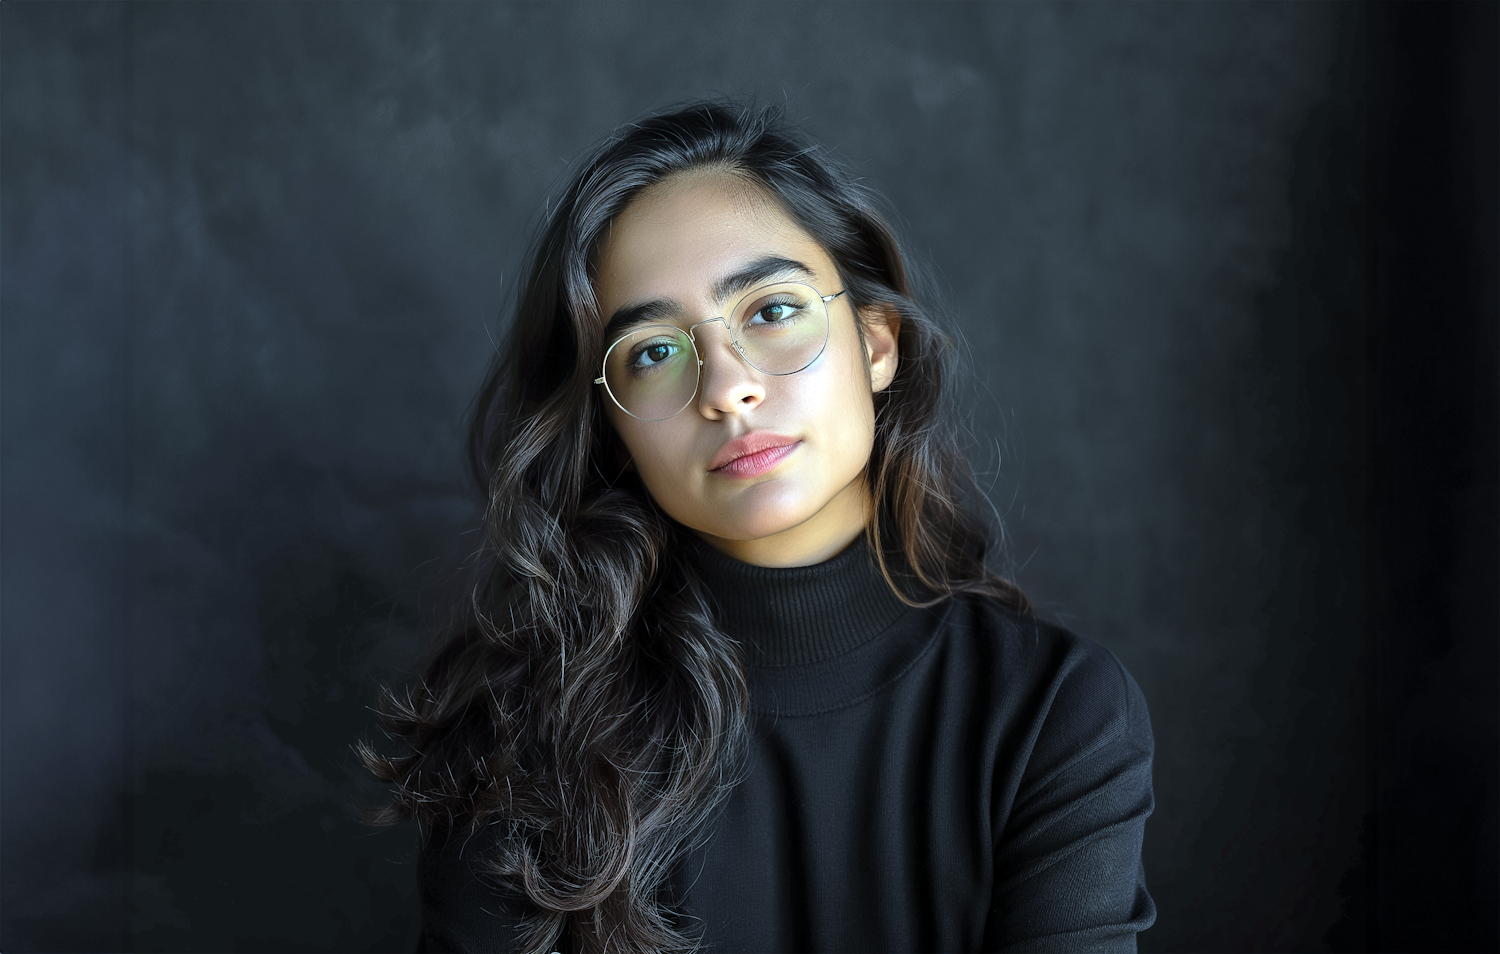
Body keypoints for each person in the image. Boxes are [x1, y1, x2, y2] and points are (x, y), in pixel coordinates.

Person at [362, 101, 1155, 954]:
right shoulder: (524, 740)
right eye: (654, 352)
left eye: (772, 311)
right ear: (615, 427)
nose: (726, 388)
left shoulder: (1051, 714)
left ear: (877, 342)